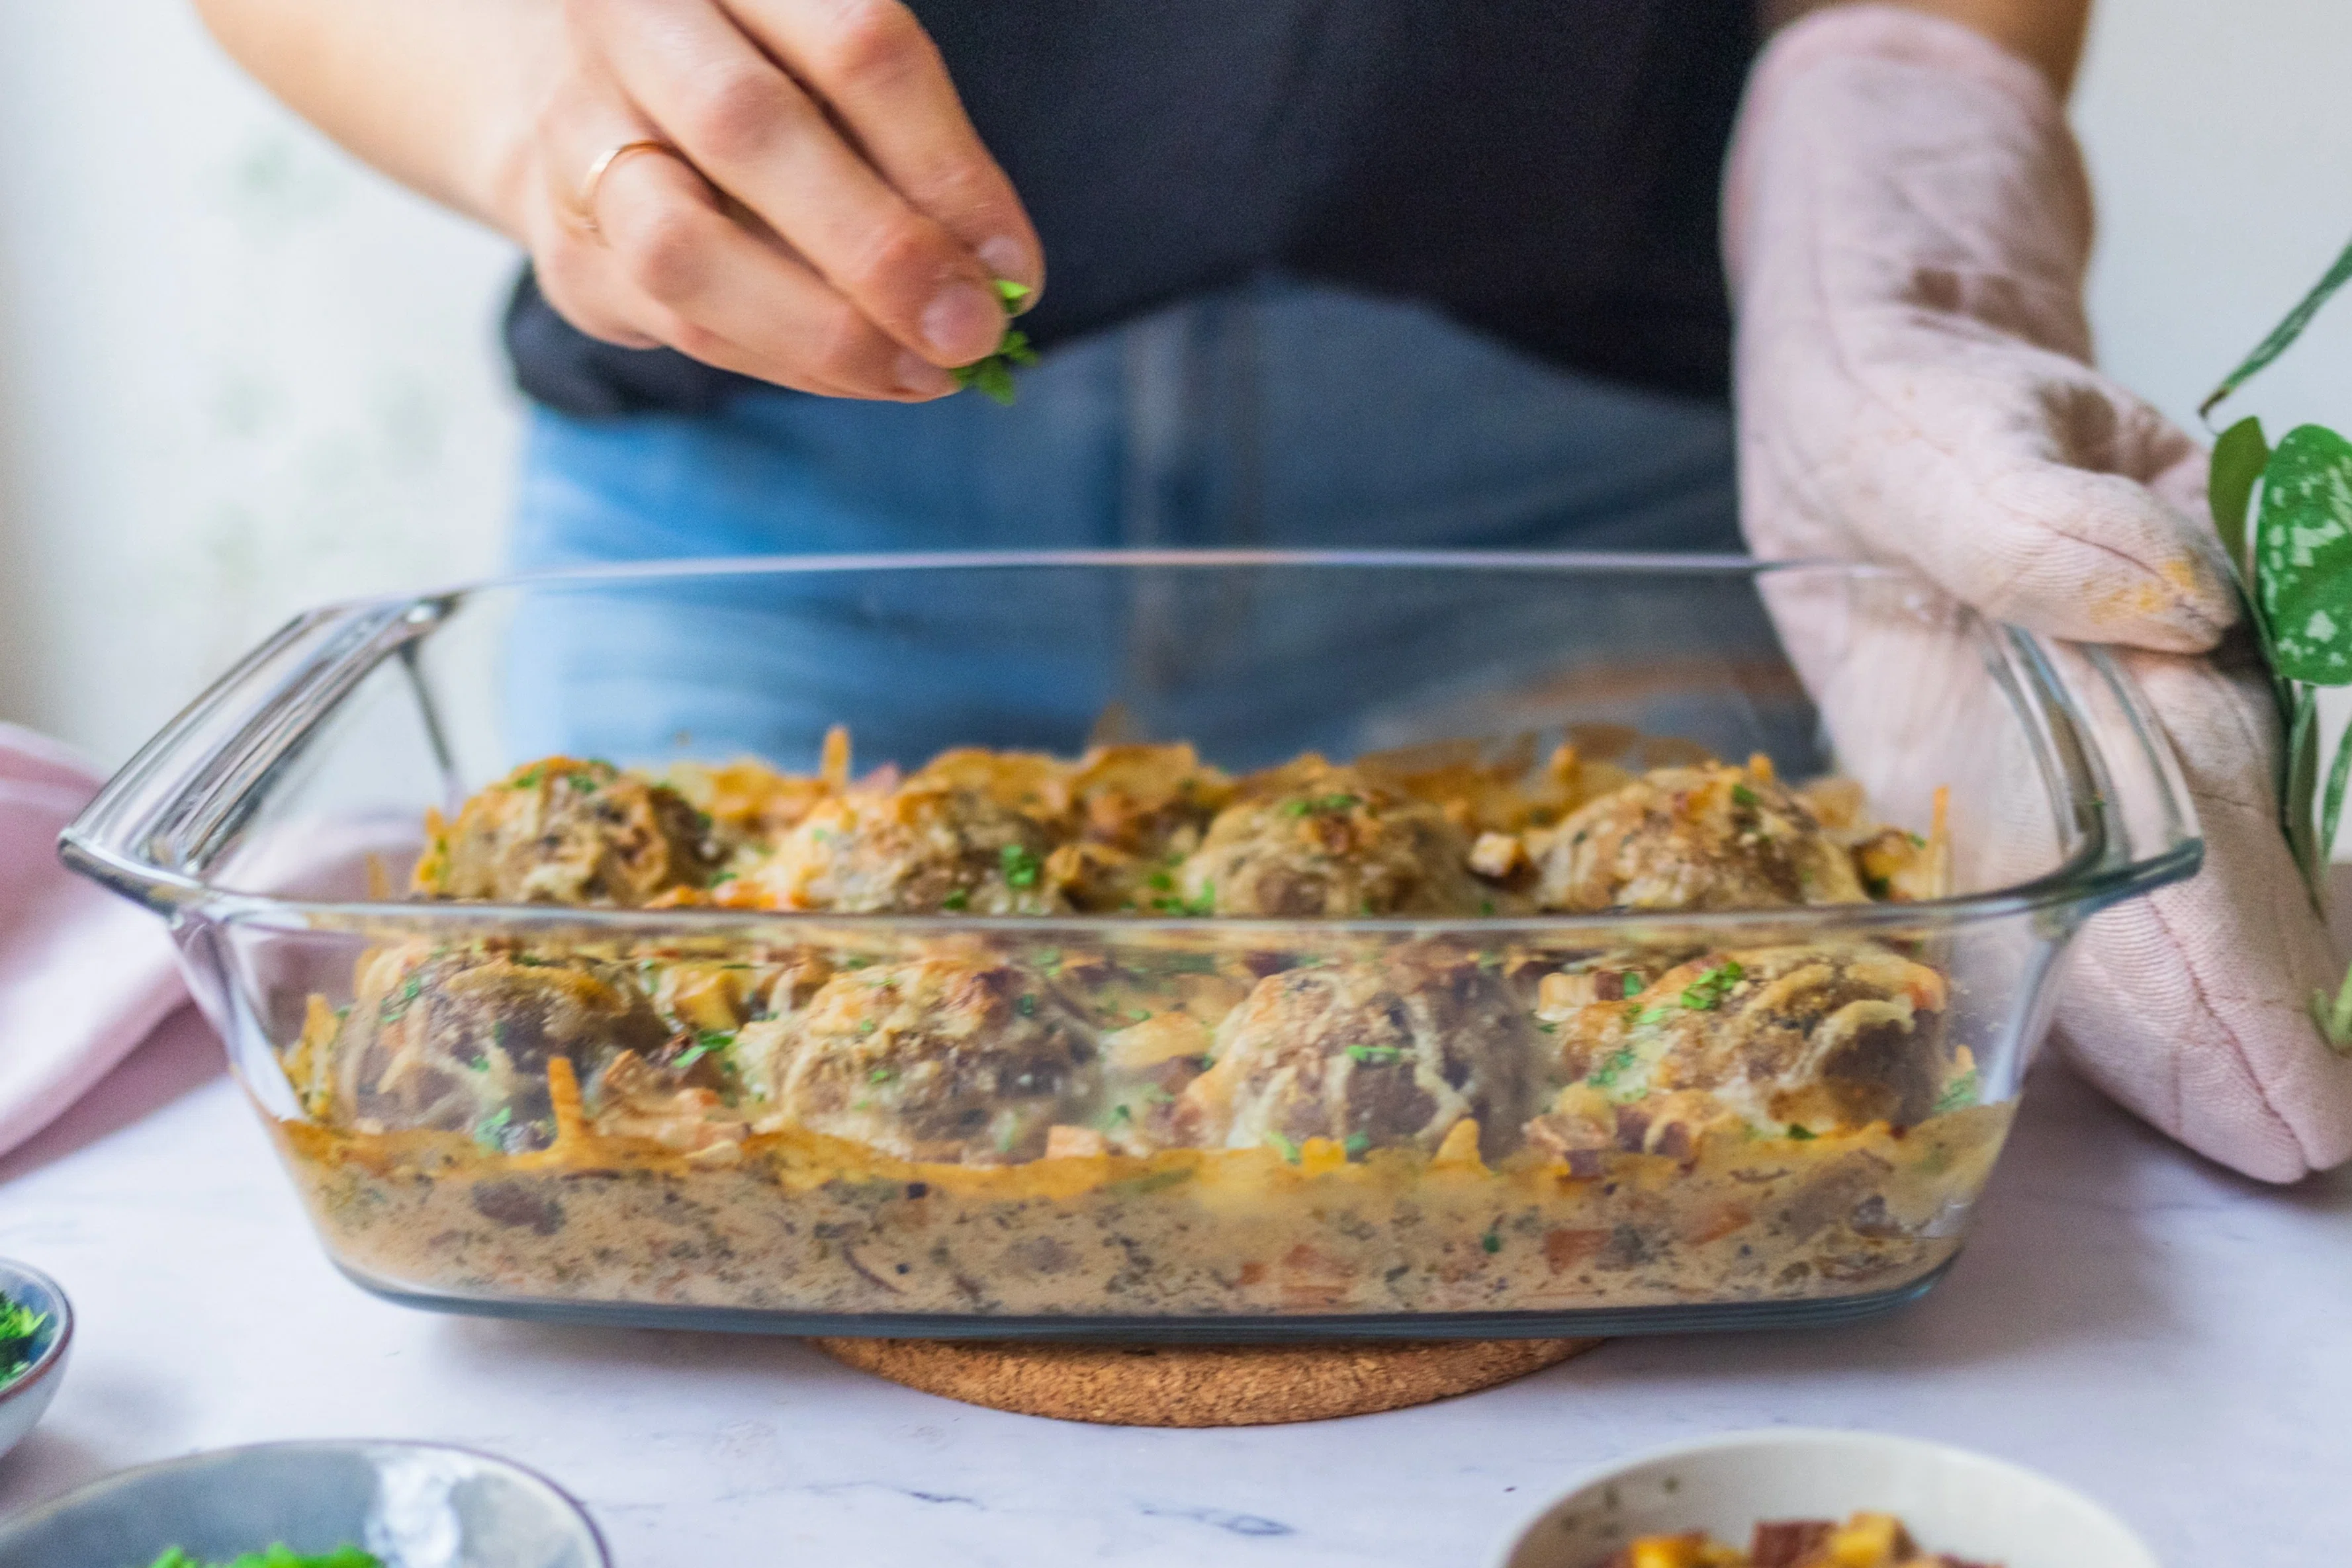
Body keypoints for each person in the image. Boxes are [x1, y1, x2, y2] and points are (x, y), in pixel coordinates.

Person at [195, 0, 2352, 1185]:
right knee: (627, 1251)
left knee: (1685, 1223)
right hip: (763, 483)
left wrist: (1900, 233)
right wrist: (528, 95)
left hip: (1584, 482)